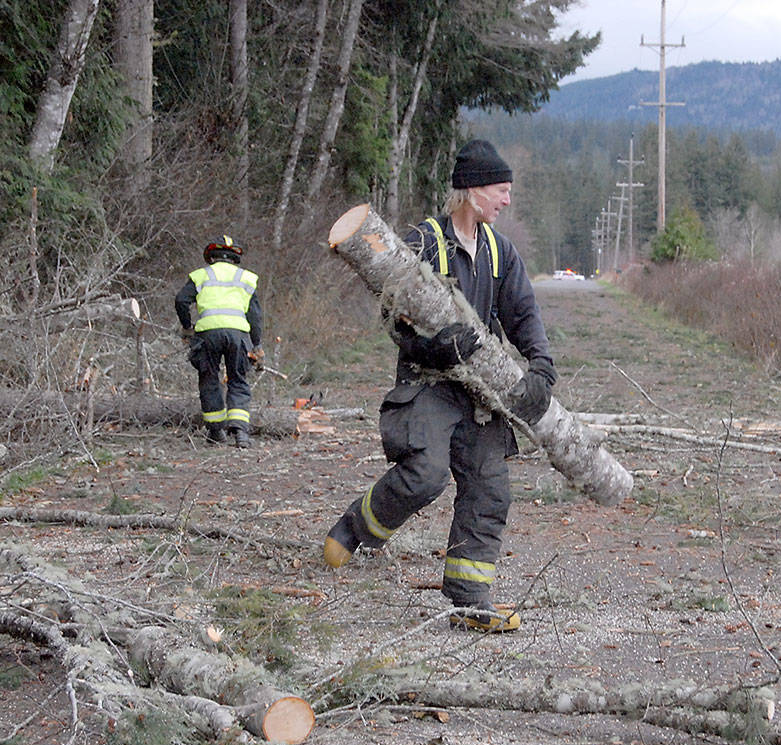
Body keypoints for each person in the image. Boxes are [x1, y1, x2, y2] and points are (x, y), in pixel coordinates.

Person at [322, 139, 556, 632]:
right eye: (501, 190)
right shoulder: (424, 242)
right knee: (425, 475)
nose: (507, 200)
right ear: (472, 191)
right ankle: (356, 527)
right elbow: (394, 317)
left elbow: (523, 313)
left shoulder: (500, 250)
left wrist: (541, 366)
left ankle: (470, 600)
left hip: (478, 395)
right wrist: (432, 347)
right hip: (427, 383)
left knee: (490, 489)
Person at [175, 235, 264, 449]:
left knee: (209, 379)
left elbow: (181, 300)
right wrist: (257, 344)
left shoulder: (200, 275)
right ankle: (241, 434)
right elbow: (255, 316)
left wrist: (188, 327)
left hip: (207, 334)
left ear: (211, 256)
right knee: (238, 379)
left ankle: (216, 433)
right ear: (235, 257)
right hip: (238, 334)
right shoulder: (247, 278)